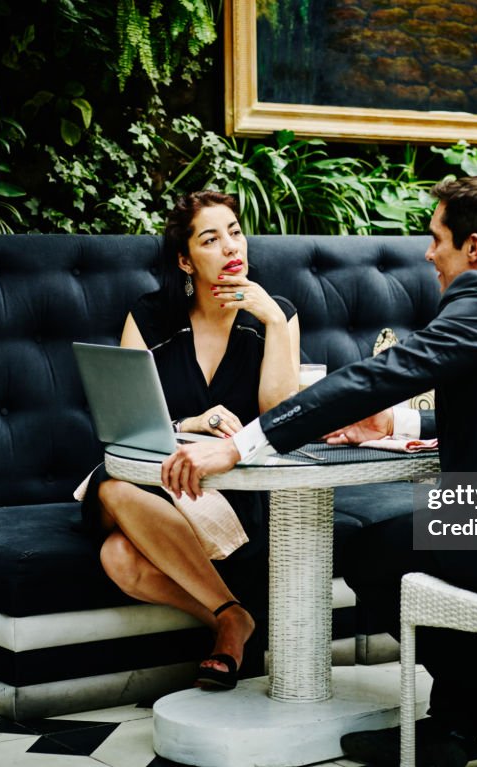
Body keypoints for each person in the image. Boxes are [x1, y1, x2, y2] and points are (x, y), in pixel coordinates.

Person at [161, 175, 477, 765]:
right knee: (419, 540)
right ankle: (460, 724)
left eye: (436, 240)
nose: (429, 254)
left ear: (474, 248)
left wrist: (246, 443)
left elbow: (385, 373)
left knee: (370, 551)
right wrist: (394, 428)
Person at [79, 190, 300, 690]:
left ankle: (228, 620)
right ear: (185, 259)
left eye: (235, 232)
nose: (230, 247)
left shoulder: (276, 314)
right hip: (154, 474)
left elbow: (280, 415)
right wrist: (191, 422)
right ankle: (231, 618)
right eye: (211, 238)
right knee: (114, 488)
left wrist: (273, 322)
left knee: (118, 556)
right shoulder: (152, 315)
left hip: (232, 482)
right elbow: (127, 417)